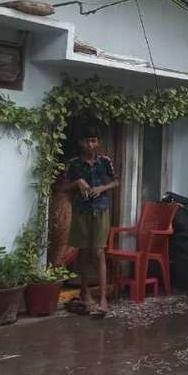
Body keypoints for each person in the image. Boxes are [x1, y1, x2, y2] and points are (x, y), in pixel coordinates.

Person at [56, 125, 118, 318]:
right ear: (80, 143)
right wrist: (78, 183)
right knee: (83, 252)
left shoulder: (105, 161)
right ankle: (85, 293)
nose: (90, 145)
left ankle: (103, 301)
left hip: (100, 209)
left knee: (99, 251)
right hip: (81, 211)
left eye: (94, 141)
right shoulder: (74, 164)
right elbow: (63, 188)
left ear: (98, 142)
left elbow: (116, 181)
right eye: (86, 141)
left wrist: (101, 189)